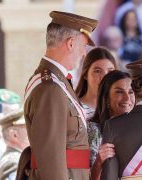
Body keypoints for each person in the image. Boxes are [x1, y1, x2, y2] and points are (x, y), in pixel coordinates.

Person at [18, 11, 98, 180]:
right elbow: (51, 157)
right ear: (70, 44)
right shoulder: (50, 87)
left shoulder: (56, 83)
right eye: (83, 46)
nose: (84, 53)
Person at [75, 47, 117, 167]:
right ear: (85, 75)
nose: (104, 77)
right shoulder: (75, 108)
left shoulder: (119, 109)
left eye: (110, 71)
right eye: (97, 71)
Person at [89, 70, 135, 180]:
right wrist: (99, 162)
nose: (127, 98)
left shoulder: (141, 128)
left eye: (131, 92)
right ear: (106, 98)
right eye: (119, 92)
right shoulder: (92, 131)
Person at [0, 109, 29, 180]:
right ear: (14, 135)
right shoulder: (14, 163)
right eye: (27, 127)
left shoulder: (15, 159)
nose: (32, 131)